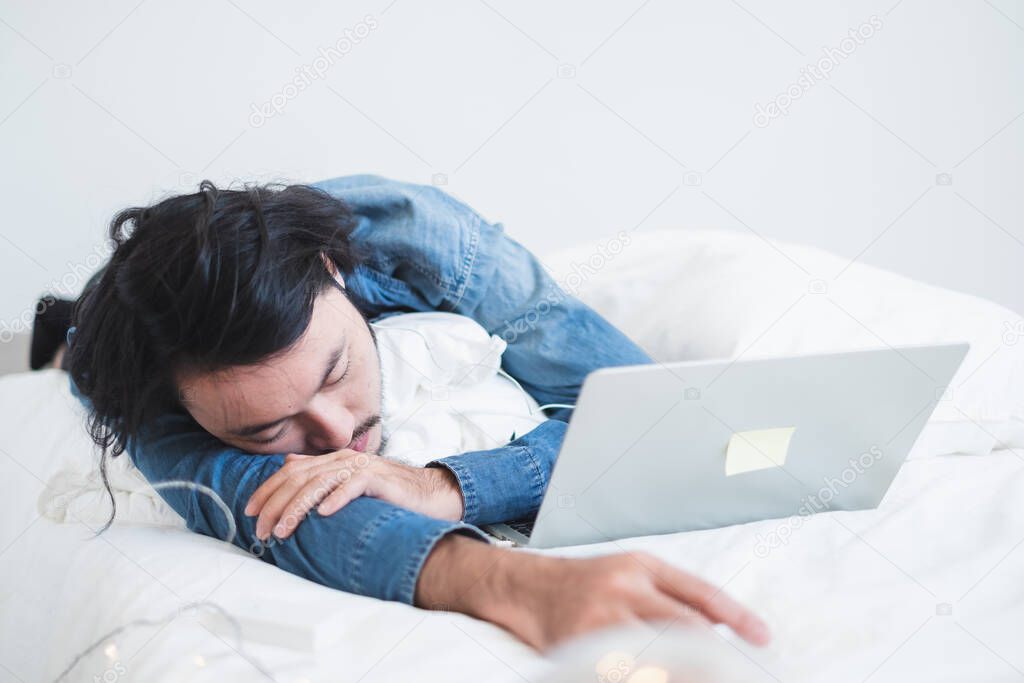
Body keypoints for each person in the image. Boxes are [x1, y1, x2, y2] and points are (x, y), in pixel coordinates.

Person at [47, 174, 770, 650]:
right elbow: (274, 511)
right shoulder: (137, 385)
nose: (334, 436)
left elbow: (649, 417)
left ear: (333, 273)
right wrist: (512, 582)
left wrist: (445, 485)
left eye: (336, 371)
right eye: (265, 430)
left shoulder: (431, 240)